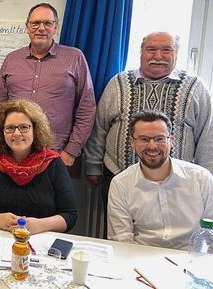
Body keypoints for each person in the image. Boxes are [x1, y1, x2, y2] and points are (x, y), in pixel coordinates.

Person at [85, 32, 213, 224]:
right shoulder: (118, 83)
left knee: (170, 236)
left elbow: (206, 135)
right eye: (151, 49)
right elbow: (100, 126)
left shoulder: (196, 87)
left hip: (178, 183)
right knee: (119, 236)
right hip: (119, 178)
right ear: (141, 53)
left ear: (176, 53)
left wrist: (206, 176)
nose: (158, 56)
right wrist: (93, 165)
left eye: (166, 50)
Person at [0, 3, 95, 167]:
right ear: (27, 27)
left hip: (55, 155)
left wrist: (71, 151)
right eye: (35, 23)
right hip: (14, 153)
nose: (41, 28)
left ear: (56, 27)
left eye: (47, 23)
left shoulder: (75, 57)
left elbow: (87, 108)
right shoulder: (12, 59)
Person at [108, 110, 213, 250]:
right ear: (133, 142)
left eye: (159, 139)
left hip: (191, 259)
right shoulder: (120, 184)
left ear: (171, 141)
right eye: (144, 139)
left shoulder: (202, 178)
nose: (152, 146)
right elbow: (121, 240)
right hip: (140, 260)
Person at [0, 100, 77, 234]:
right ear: (2, 132)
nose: (16, 133)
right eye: (10, 128)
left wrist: (39, 225)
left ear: (35, 129)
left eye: (23, 127)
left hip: (39, 241)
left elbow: (70, 215)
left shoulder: (53, 164)